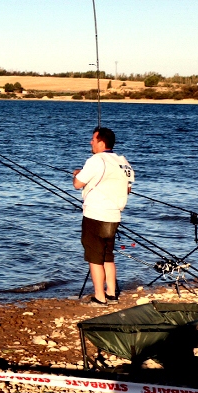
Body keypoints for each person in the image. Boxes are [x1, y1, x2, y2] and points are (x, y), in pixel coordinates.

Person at [72, 127, 134, 306]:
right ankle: (112, 294)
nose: (91, 142)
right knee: (108, 255)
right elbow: (127, 188)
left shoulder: (96, 160)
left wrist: (77, 174)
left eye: (93, 139)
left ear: (101, 142)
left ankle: (100, 297)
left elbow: (77, 184)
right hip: (114, 217)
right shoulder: (123, 162)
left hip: (95, 215)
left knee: (95, 257)